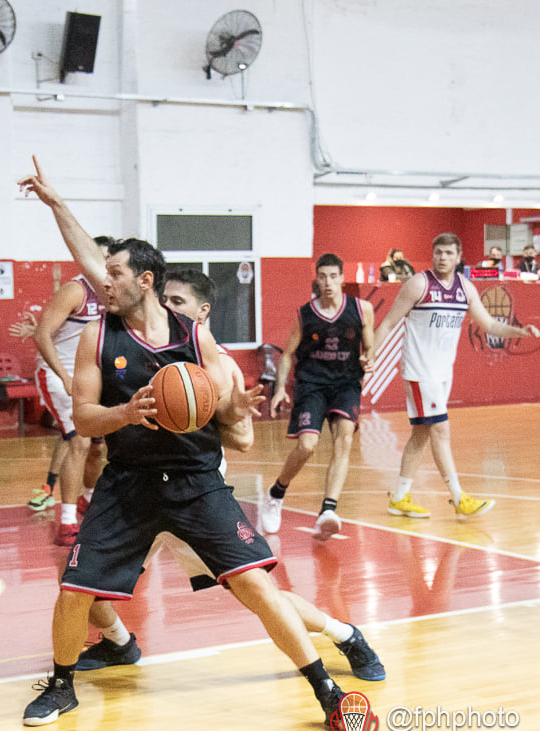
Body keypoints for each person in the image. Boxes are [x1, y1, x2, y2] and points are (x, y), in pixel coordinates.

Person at [17, 157, 353, 731]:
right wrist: (123, 411)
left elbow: (234, 417)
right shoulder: (98, 335)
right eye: (105, 274)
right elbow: (84, 418)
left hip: (196, 483)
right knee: (75, 588)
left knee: (255, 585)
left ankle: (326, 689)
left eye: (116, 274)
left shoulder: (196, 338)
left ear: (143, 281)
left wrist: (233, 406)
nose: (105, 281)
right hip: (128, 484)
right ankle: (64, 684)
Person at [78, 270, 384, 688]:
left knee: (257, 594)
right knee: (86, 589)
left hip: (191, 493)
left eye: (178, 302)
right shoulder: (136, 348)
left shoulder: (217, 362)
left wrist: (222, 412)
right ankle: (118, 643)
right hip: (137, 490)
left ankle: (346, 636)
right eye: (164, 299)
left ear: (202, 312)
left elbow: (242, 441)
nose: (167, 308)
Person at [375, 232, 539, 517]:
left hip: (442, 373)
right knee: (441, 430)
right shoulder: (418, 284)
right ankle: (459, 498)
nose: (442, 257)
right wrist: (367, 357)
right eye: (438, 252)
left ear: (459, 257)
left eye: (448, 253)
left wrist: (519, 332)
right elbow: (388, 323)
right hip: (419, 371)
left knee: (422, 435)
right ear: (432, 254)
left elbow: (488, 324)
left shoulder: (466, 287)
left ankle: (399, 497)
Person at [261, 254, 375, 540]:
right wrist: (278, 390)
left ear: (341, 278)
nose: (327, 282)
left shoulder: (362, 309)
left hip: (346, 384)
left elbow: (369, 348)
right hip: (311, 384)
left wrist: (367, 359)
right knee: (308, 446)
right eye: (322, 277)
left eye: (333, 276)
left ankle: (328, 510)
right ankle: (276, 492)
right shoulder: (305, 314)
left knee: (344, 439)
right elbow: (287, 354)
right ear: (317, 280)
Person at [29, 236, 112, 546]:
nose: (104, 265)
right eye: (99, 257)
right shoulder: (76, 290)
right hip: (56, 373)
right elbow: (41, 334)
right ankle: (66, 521)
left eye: (109, 260)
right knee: (78, 439)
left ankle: (87, 499)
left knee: (97, 447)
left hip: (92, 379)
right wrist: (63, 376)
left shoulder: (115, 293)